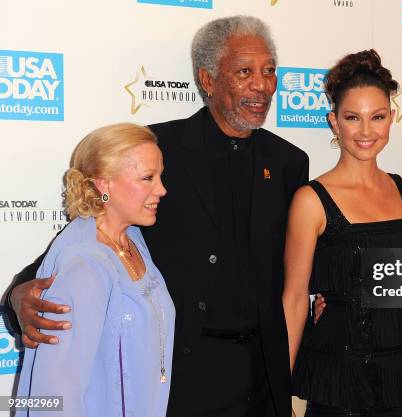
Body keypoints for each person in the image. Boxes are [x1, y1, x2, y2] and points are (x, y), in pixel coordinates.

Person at [7, 16, 308, 417]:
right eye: (244, 72)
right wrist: (16, 296)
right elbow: (85, 236)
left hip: (264, 380)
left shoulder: (289, 162)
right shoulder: (157, 149)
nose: (262, 84)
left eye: (270, 71)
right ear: (208, 79)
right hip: (183, 378)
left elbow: (297, 268)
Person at [283, 49, 402, 417]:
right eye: (353, 118)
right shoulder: (312, 200)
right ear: (334, 122)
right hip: (342, 376)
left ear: (392, 118)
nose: (366, 131)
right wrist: (281, 389)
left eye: (378, 117)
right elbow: (293, 299)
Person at [15, 123, 174, 417]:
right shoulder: (85, 264)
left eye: (160, 176)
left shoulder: (132, 237)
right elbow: (54, 396)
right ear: (103, 185)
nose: (162, 189)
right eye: (147, 178)